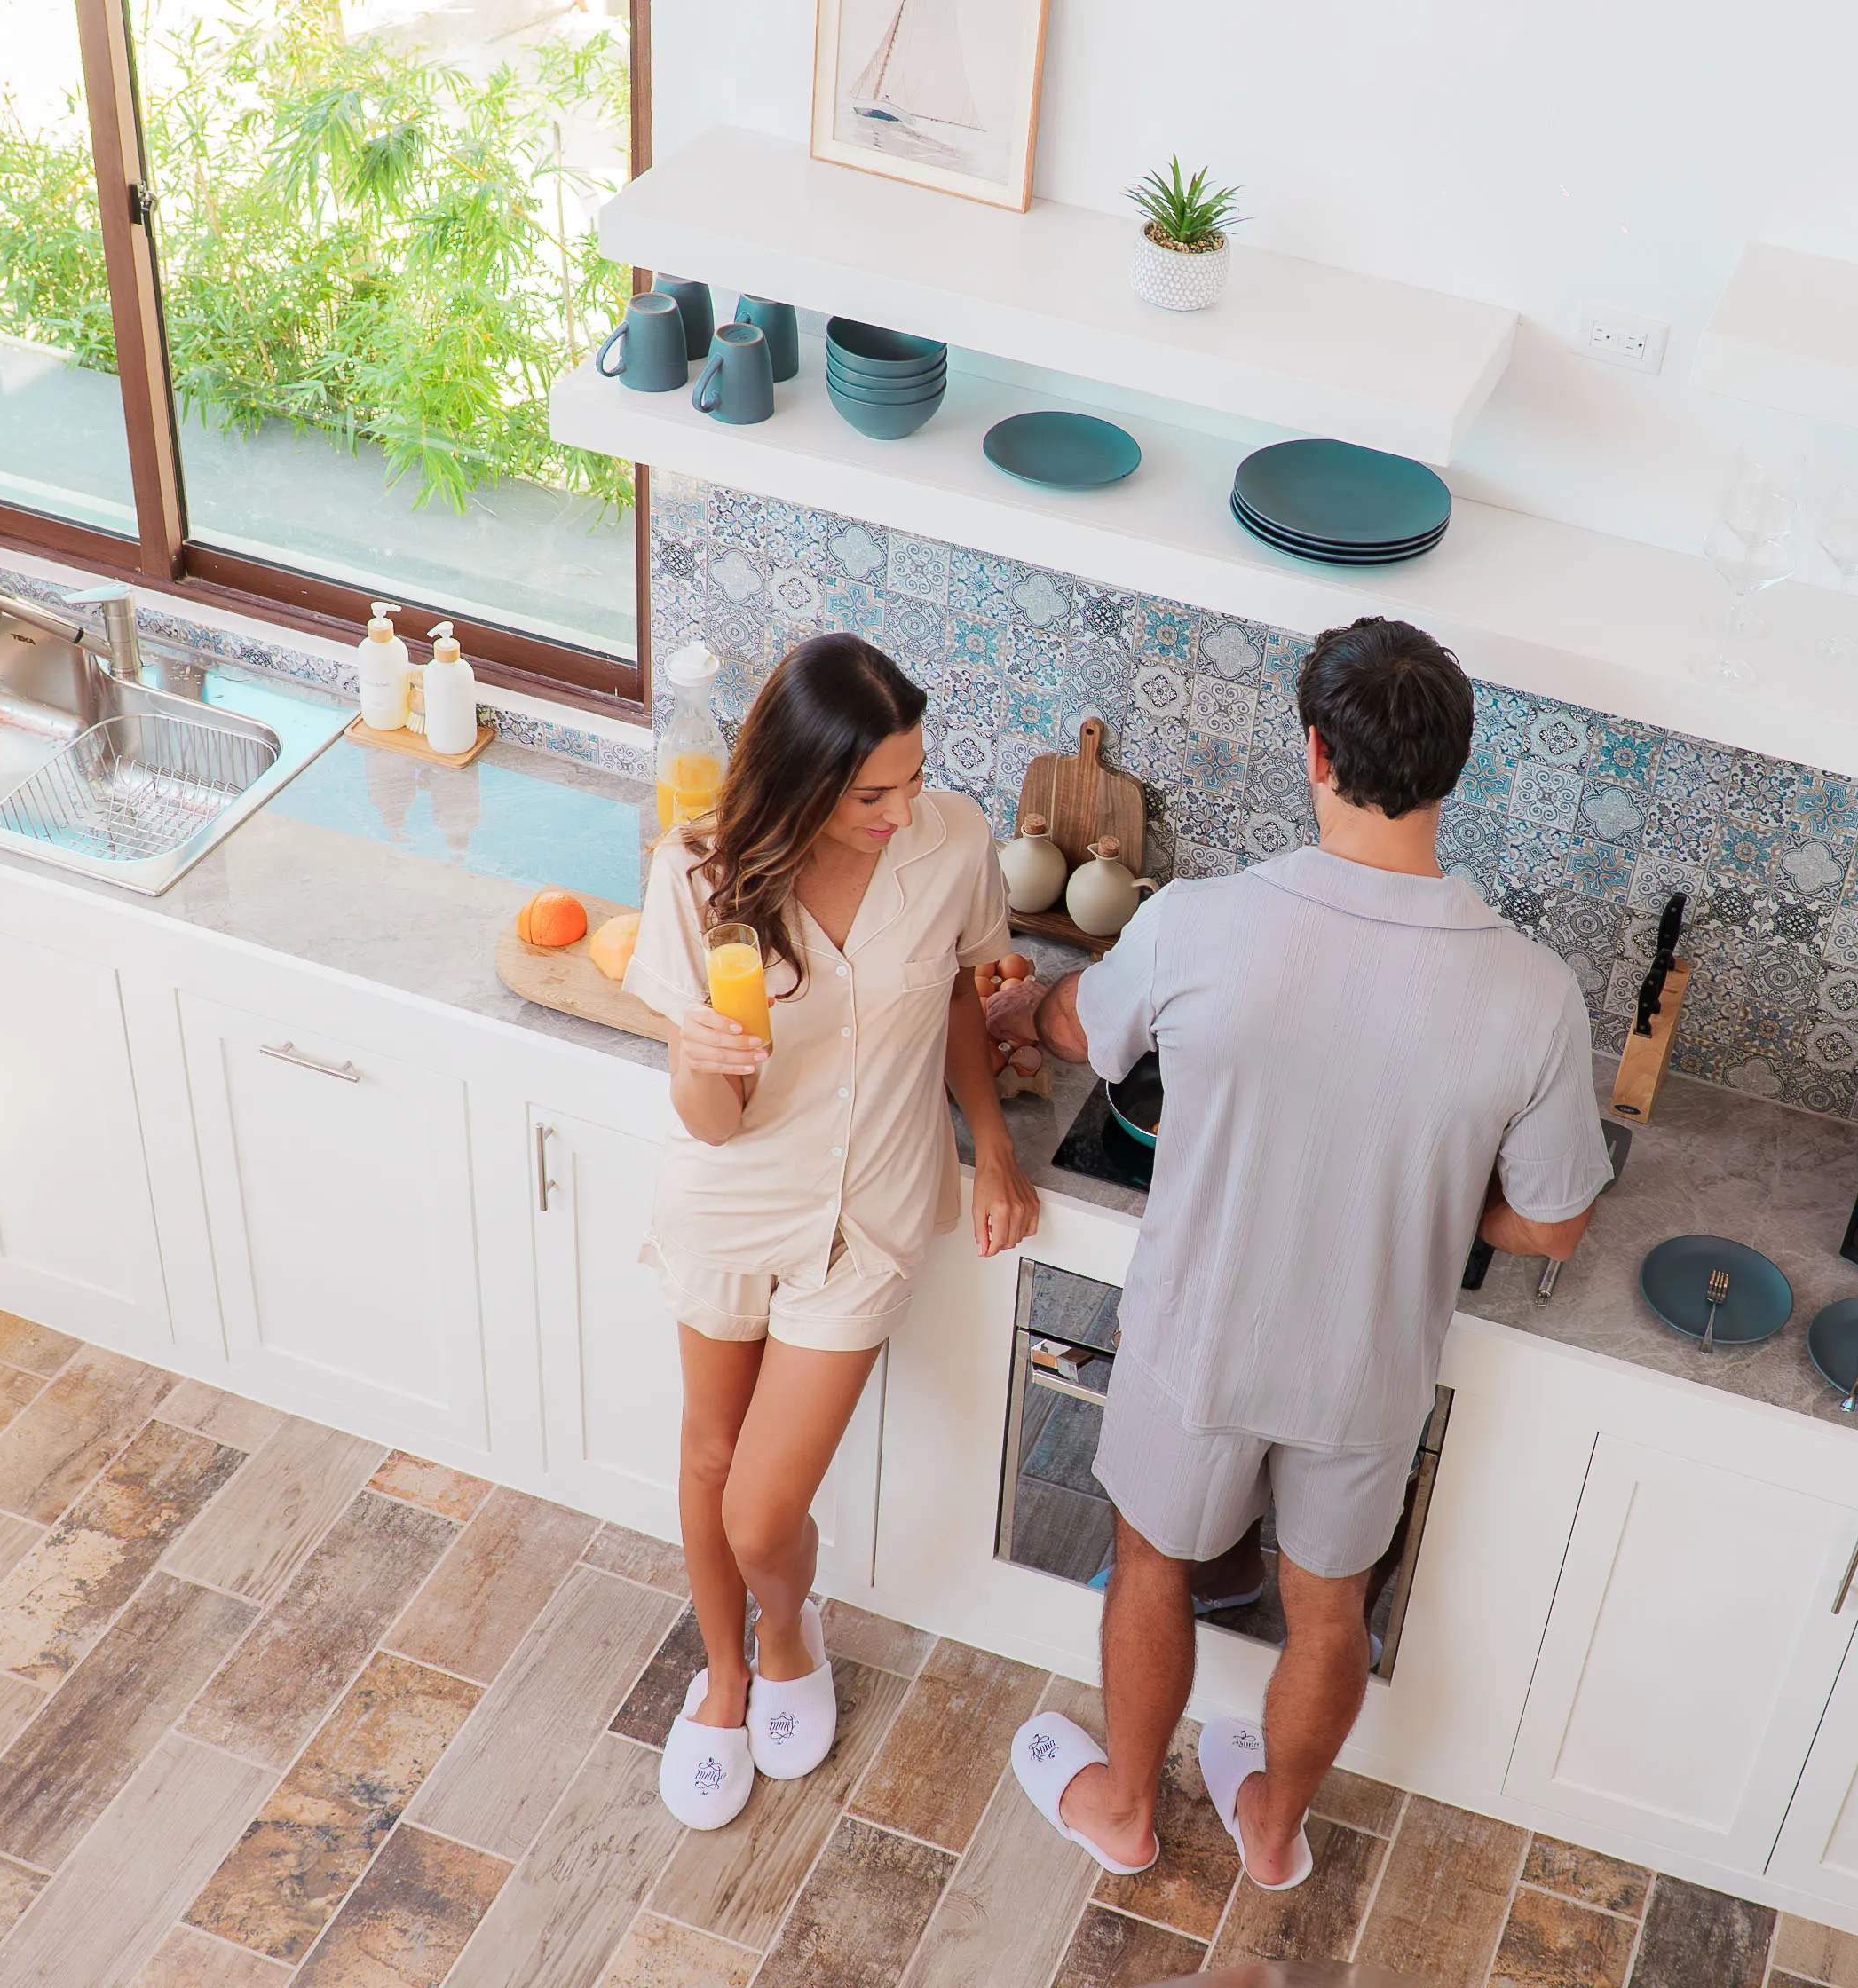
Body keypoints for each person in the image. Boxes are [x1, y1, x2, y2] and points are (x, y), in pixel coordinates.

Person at [984, 615, 1615, 1888]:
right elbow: (1551, 1222)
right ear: (1455, 770)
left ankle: (1123, 1811)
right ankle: (1270, 1831)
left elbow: (1082, 1030)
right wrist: (1435, 1192)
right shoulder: (1536, 994)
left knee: (1154, 1561)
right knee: (1331, 1608)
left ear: (1315, 754)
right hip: (1368, 1369)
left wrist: (1022, 1009)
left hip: (1201, 1338)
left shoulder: (1201, 922)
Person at [622, 632, 1040, 1831]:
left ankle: (791, 1628)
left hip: (873, 1212)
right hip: (734, 1198)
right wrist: (702, 1056)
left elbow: (960, 988)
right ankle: (727, 1677)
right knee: (710, 1460)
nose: (905, 811)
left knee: (762, 1513)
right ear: (805, 781)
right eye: (874, 793)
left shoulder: (950, 840)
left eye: (915, 777)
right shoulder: (700, 879)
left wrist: (993, 1144)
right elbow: (711, 1123)